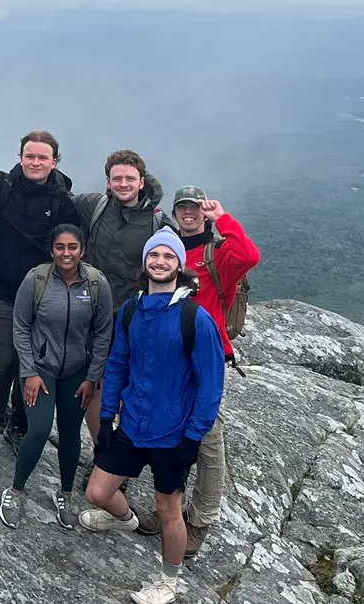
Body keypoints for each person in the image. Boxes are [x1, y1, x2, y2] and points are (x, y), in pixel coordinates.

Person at [78, 228, 224, 604]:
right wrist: (108, 417)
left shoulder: (195, 318)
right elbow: (118, 364)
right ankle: (124, 518)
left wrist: (193, 437)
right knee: (97, 492)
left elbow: (210, 385)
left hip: (172, 432)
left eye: (168, 256)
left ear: (179, 264)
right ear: (145, 263)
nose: (160, 262)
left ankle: (168, 581)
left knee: (167, 509)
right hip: (132, 423)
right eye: (154, 256)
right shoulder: (131, 310)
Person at [133, 186, 261, 557]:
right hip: (169, 361)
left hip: (205, 357)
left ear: (202, 212)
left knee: (207, 440)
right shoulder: (169, 253)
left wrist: (223, 217)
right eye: (182, 207)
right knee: (171, 437)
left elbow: (250, 255)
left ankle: (200, 521)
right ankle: (171, 510)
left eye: (194, 207)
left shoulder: (217, 253)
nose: (189, 213)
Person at [0, 130, 82, 455]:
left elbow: (75, 248)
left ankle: (20, 423)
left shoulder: (63, 202)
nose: (36, 162)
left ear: (54, 162)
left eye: (43, 157)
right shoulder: (0, 186)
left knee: (33, 361)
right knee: (5, 358)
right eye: (30, 156)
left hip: (43, 295)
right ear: (20, 158)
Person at [0, 224, 112, 530]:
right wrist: (29, 371)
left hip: (78, 371)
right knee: (39, 428)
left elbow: (102, 333)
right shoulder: (37, 279)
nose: (66, 253)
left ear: (82, 250)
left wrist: (93, 376)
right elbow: (20, 326)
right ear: (52, 250)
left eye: (72, 247)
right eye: (60, 247)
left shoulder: (97, 283)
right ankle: (16, 490)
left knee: (71, 432)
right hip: (40, 370)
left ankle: (65, 494)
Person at [73, 149, 176, 444]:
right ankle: (103, 452)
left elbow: (178, 260)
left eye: (130, 178)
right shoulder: (95, 206)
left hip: (136, 316)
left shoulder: (159, 223)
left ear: (142, 182)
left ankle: (126, 450)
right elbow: (55, 199)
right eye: (117, 178)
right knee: (98, 385)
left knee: (133, 386)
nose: (123, 183)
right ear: (108, 181)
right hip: (95, 313)